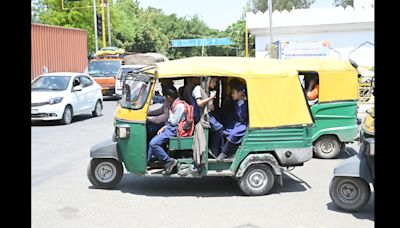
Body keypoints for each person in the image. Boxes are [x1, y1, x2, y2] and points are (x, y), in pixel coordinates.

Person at [147, 86, 186, 174]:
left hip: (174, 129)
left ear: (169, 97)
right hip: (170, 127)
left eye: (165, 97)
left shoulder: (179, 106)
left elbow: (174, 121)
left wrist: (165, 126)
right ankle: (147, 162)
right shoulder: (172, 103)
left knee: (153, 143)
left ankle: (168, 161)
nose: (165, 99)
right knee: (152, 139)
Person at [192, 77, 224, 158]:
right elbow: (199, 103)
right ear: (207, 81)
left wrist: (211, 101)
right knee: (219, 128)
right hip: (201, 116)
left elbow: (211, 108)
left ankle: (219, 149)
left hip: (208, 113)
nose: (214, 84)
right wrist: (210, 98)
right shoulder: (198, 88)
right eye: (213, 82)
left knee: (220, 120)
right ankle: (213, 149)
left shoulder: (207, 90)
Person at [217, 83, 249, 161]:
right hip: (237, 123)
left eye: (233, 93)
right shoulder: (235, 102)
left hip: (243, 125)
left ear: (240, 93)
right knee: (224, 130)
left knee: (233, 134)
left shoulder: (246, 104)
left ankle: (223, 153)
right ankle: (222, 149)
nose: (232, 95)